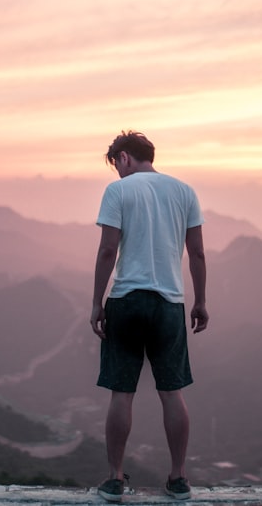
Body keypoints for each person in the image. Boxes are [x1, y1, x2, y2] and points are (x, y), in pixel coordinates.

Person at [91, 130, 208, 502]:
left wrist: (97, 302)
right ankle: (178, 479)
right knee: (171, 393)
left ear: (124, 158)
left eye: (116, 165)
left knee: (121, 393)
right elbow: (198, 254)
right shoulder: (185, 192)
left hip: (126, 299)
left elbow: (109, 250)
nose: (117, 173)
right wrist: (200, 302)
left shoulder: (119, 192)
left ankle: (113, 480)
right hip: (169, 303)